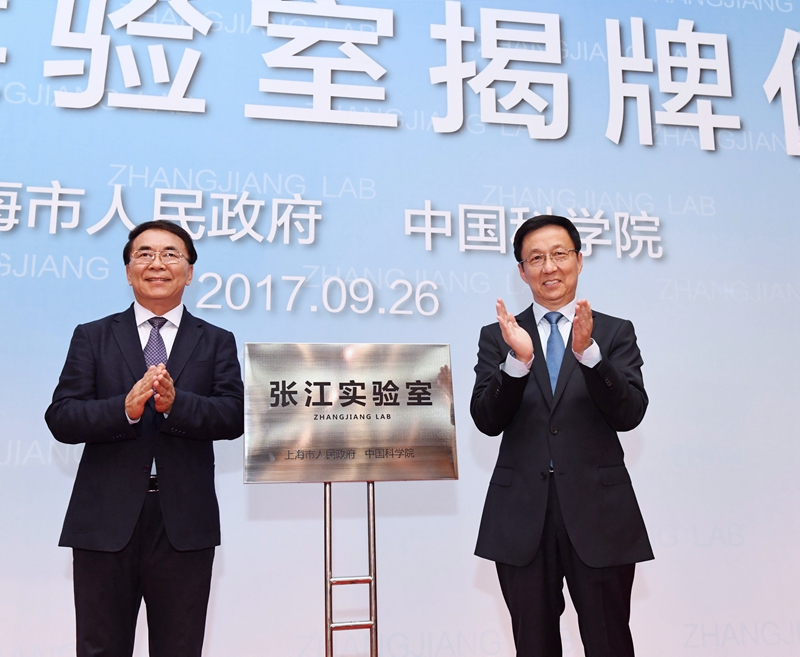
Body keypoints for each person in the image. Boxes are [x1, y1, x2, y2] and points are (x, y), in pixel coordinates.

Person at [45, 220, 244, 657]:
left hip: (183, 523)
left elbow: (232, 416)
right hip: (104, 521)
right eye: (144, 254)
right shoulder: (92, 336)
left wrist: (176, 404)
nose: (157, 263)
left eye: (171, 254)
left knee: (179, 648)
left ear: (189, 272)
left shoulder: (216, 341)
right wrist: (124, 410)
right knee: (100, 648)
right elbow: (62, 417)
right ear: (128, 270)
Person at [470, 215, 653, 657]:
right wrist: (517, 363)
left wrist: (591, 356)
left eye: (559, 254)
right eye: (536, 258)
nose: (549, 267)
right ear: (522, 271)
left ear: (579, 260)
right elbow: (486, 419)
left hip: (599, 514)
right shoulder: (500, 336)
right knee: (533, 645)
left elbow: (630, 413)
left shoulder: (613, 332)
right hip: (522, 517)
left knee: (609, 643)